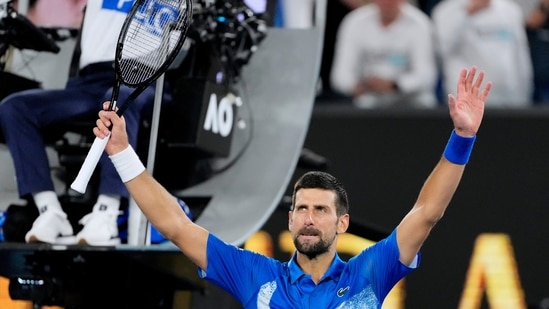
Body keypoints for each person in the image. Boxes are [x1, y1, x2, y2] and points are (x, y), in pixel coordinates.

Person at [91, 65, 491, 307]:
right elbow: (176, 227)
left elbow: (427, 213)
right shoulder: (255, 275)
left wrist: (462, 138)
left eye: (321, 210)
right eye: (302, 209)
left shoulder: (369, 273)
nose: (310, 218)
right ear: (290, 219)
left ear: (342, 223)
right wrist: (123, 152)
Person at [0, 0, 171, 245]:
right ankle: (49, 211)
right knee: (15, 107)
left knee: (117, 102)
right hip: (90, 82)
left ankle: (107, 215)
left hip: (144, 80)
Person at [330, 0, 438, 108]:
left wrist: (394, 85)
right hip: (369, 100)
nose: (387, 2)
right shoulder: (354, 22)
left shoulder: (420, 24)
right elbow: (340, 76)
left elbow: (426, 76)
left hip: (413, 103)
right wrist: (359, 86)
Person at [432, 0, 533, 107]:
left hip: (511, 98)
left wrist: (525, 94)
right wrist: (467, 14)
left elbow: (521, 56)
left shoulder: (511, 10)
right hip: (467, 102)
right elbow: (442, 51)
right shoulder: (445, 11)